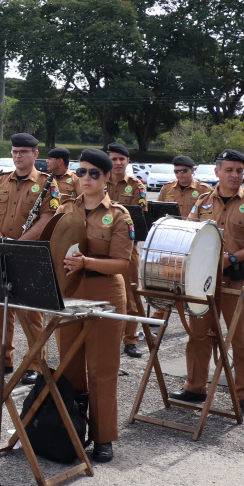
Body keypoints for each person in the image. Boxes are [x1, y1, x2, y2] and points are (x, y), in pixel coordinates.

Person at [169, 149, 244, 417]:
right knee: (199, 335)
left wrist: (232, 258)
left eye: (239, 170)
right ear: (217, 172)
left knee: (241, 338)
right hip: (204, 280)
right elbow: (190, 233)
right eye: (229, 170)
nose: (235, 175)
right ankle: (195, 387)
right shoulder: (202, 201)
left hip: (238, 280)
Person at [55, 148, 135, 463]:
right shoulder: (65, 208)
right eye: (81, 172)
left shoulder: (119, 214)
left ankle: (103, 437)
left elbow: (121, 264)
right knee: (70, 364)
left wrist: (86, 261)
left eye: (93, 173)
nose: (85, 178)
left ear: (106, 177)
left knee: (102, 368)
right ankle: (73, 430)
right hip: (70, 290)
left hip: (104, 293)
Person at [0, 133, 58, 385]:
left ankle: (35, 363)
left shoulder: (47, 183)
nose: (18, 156)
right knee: (1, 309)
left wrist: (20, 243)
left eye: (23, 152)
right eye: (15, 152)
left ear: (35, 154)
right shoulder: (1, 179)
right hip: (2, 250)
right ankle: (2, 358)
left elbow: (47, 219)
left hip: (28, 253)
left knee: (30, 313)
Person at [104, 143, 146, 358]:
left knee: (131, 294)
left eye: (122, 159)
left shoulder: (137, 185)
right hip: (101, 247)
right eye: (114, 159)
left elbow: (139, 216)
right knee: (104, 293)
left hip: (127, 248)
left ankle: (130, 339)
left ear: (128, 161)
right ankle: (107, 337)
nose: (118, 163)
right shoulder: (100, 180)